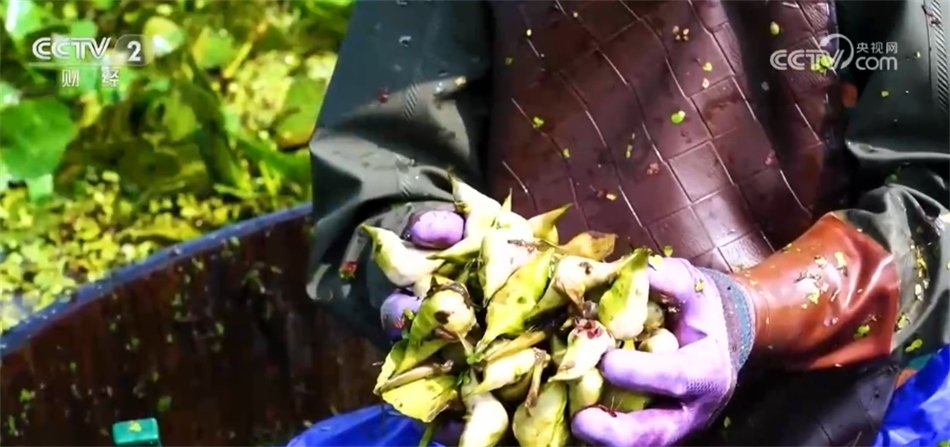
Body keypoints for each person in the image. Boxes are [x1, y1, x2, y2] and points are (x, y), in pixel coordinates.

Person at [306, 0, 948, 445]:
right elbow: (379, 171)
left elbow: (934, 193)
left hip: (820, 418)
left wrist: (749, 313)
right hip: (530, 393)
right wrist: (420, 269)